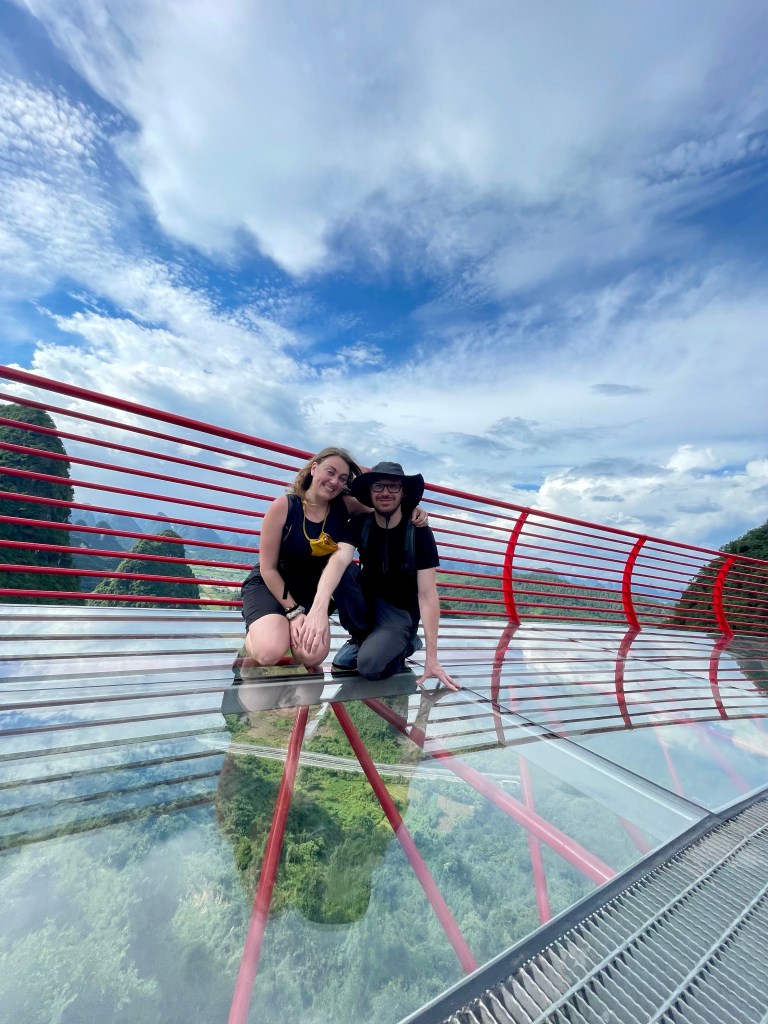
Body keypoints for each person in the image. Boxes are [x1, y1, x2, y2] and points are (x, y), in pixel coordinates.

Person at [241, 448, 428, 671]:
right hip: (272, 585)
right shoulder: (284, 506)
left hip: (311, 590)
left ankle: (280, 633)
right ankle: (256, 639)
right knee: (269, 652)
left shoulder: (344, 505)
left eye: (342, 478)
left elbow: (383, 502)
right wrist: (294, 612)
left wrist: (412, 506)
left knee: (312, 656)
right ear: (314, 468)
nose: (334, 481)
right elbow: (268, 569)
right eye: (330, 472)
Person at [300, 461, 459, 690]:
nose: (385, 492)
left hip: (398, 612)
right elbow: (339, 560)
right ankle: (362, 639)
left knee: (370, 667)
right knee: (338, 567)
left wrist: (432, 658)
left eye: (393, 486)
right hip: (367, 604)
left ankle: (407, 643)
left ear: (403, 492)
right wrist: (318, 607)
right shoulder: (360, 523)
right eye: (378, 486)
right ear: (370, 492)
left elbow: (427, 595)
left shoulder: (418, 531)